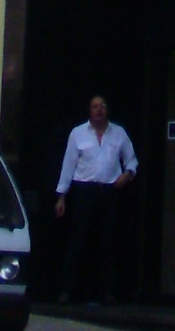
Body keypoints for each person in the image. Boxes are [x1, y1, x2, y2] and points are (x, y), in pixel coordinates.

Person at [55, 94, 137, 303]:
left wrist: (126, 175)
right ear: (89, 111)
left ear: (107, 110)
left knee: (107, 241)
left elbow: (132, 161)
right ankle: (68, 290)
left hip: (109, 191)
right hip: (85, 191)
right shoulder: (78, 133)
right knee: (79, 240)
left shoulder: (119, 133)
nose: (99, 109)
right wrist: (62, 196)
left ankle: (107, 292)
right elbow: (68, 165)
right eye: (95, 106)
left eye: (102, 106)